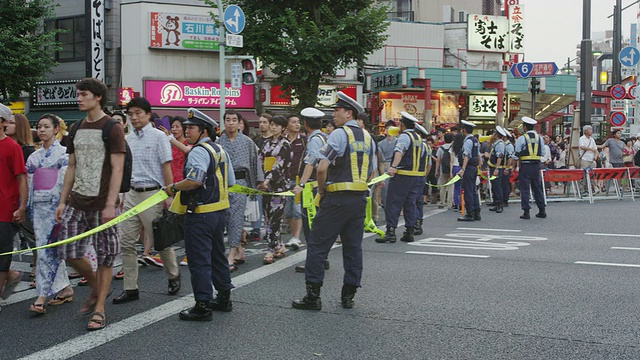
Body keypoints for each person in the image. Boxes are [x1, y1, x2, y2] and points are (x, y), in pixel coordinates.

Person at [292, 91, 375, 310]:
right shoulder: (368, 137)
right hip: (359, 199)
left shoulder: (339, 134)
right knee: (353, 247)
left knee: (318, 246)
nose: (333, 114)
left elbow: (321, 167)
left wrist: (322, 191)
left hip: (336, 197)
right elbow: (371, 172)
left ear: (348, 113)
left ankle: (313, 296)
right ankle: (348, 295)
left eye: (337, 110)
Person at [54, 78, 126, 330]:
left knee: (106, 257)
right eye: (78, 94)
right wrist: (62, 201)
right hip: (77, 199)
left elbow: (118, 169)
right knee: (68, 251)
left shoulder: (112, 127)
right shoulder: (75, 127)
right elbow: (71, 166)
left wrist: (110, 204)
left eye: (83, 94)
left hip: (103, 202)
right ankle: (97, 287)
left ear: (97, 97)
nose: (79, 98)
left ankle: (100, 309)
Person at [165, 108, 235, 321]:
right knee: (217, 256)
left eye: (191, 128)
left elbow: (195, 180)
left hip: (200, 214)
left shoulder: (197, 151)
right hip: (218, 213)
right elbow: (230, 181)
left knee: (199, 260)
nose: (187, 131)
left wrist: (174, 187)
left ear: (203, 130)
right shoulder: (220, 150)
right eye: (185, 128)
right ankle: (224, 298)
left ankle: (202, 305)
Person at [112, 97, 180, 305]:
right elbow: (123, 170)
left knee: (160, 240)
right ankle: (130, 288)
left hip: (154, 193)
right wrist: (119, 194)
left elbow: (166, 167)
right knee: (127, 241)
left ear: (148, 114)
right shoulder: (128, 139)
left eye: (138, 113)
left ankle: (173, 275)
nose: (134, 118)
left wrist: (168, 195)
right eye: (130, 114)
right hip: (132, 193)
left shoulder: (159, 137)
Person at [26, 114, 73, 314]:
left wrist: (59, 203)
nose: (41, 130)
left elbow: (64, 181)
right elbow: (29, 184)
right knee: (47, 250)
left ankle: (42, 295)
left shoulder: (63, 154)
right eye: (39, 127)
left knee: (46, 251)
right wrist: (26, 205)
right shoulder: (33, 157)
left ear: (56, 129)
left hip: (55, 206)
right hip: (38, 207)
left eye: (46, 126)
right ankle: (65, 288)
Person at [216, 110, 263, 271]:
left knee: (236, 217)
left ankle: (231, 252)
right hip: (223, 183)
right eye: (227, 120)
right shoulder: (218, 142)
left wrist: (256, 184)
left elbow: (254, 162)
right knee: (224, 218)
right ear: (224, 122)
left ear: (239, 122)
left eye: (234, 120)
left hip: (241, 182)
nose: (230, 123)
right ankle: (237, 249)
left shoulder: (247, 141)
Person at [377, 111, 427, 244]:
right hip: (415, 176)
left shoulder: (405, 137)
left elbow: (399, 151)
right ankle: (409, 231)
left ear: (403, 125)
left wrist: (393, 166)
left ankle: (391, 232)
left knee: (393, 203)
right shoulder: (418, 138)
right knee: (410, 204)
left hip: (403, 175)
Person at [291, 107, 330, 273]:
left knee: (310, 226)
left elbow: (311, 163)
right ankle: (322, 258)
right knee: (319, 225)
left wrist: (301, 184)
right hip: (320, 186)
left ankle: (314, 262)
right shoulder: (324, 137)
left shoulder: (314, 140)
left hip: (311, 189)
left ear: (305, 123)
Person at [0, 103, 27, 300]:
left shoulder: (12, 147)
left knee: (2, 254)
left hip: (5, 209)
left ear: (3, 122)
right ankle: (12, 275)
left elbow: (21, 178)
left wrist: (22, 206)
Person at [257, 115, 292, 264]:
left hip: (279, 186)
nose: (273, 127)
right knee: (267, 216)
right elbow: (259, 160)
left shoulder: (285, 144)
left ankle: (271, 248)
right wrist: (259, 179)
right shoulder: (266, 143)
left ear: (283, 128)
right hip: (264, 185)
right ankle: (278, 245)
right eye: (272, 125)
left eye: (277, 125)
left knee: (275, 217)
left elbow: (279, 165)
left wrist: (266, 180)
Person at [514, 116, 547, 220]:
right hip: (536, 166)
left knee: (525, 189)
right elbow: (543, 153)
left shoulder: (521, 138)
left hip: (525, 166)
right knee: (537, 188)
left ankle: (526, 212)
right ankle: (542, 210)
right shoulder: (540, 138)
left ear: (524, 127)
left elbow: (516, 154)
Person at [283, 114, 306, 250]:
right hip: (284, 180)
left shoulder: (304, 140)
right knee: (288, 211)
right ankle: (293, 235)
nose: (297, 124)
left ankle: (297, 237)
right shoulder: (282, 140)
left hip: (298, 179)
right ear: (287, 125)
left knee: (297, 210)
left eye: (298, 122)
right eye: (294, 122)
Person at [249, 113, 273, 242]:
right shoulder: (256, 141)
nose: (262, 124)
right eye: (260, 122)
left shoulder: (275, 141)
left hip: (271, 177)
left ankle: (270, 229)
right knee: (257, 203)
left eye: (265, 122)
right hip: (258, 176)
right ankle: (256, 229)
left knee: (270, 205)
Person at [456, 120, 482, 222]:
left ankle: (470, 213)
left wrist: (463, 168)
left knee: (468, 191)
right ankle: (476, 212)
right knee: (474, 190)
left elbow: (466, 155)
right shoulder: (475, 140)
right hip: (474, 167)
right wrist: (478, 165)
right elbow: (478, 155)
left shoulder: (468, 141)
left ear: (464, 130)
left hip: (469, 168)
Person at [487, 126, 507, 213]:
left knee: (498, 186)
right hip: (493, 166)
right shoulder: (496, 143)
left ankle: (499, 204)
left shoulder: (500, 144)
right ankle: (496, 202)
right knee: (494, 185)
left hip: (496, 168)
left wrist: (497, 168)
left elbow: (499, 156)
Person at [435, 132, 454, 209]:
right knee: (451, 187)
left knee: (443, 187)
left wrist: (436, 171)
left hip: (443, 170)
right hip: (452, 169)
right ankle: (449, 203)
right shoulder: (453, 148)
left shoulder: (441, 148)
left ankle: (442, 202)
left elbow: (438, 160)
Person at [578, 125, 598, 194]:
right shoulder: (582, 138)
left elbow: (595, 149)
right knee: (584, 174)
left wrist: (595, 155)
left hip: (591, 159)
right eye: (590, 130)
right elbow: (582, 147)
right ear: (586, 131)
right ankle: (583, 189)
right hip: (585, 158)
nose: (591, 131)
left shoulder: (592, 139)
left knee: (592, 174)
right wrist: (590, 149)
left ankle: (594, 188)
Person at [450, 133, 465, 211]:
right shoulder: (464, 146)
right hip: (462, 167)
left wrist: (450, 171)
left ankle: (456, 203)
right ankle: (462, 203)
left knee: (455, 187)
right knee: (462, 187)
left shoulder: (453, 147)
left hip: (455, 167)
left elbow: (451, 161)